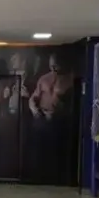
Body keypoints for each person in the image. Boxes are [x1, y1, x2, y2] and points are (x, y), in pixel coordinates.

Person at [28, 53, 74, 183]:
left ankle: (55, 178)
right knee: (38, 150)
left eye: (56, 66)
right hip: (41, 118)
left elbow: (72, 106)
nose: (53, 69)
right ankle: (37, 177)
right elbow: (33, 98)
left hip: (59, 121)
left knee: (55, 152)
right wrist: (34, 110)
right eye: (51, 65)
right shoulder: (43, 79)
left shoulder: (70, 80)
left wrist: (59, 110)